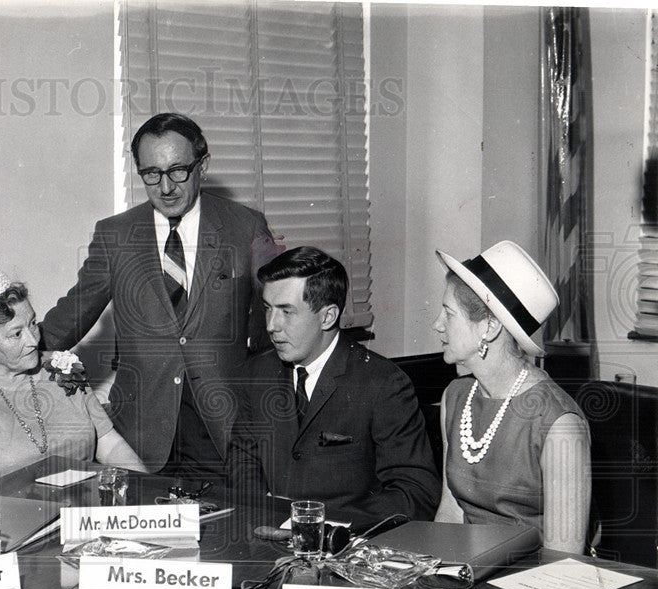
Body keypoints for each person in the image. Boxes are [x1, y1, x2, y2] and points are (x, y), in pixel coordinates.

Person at [38, 112, 280, 479]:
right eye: (151, 174)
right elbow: (72, 314)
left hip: (224, 430)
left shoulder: (245, 225)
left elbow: (270, 326)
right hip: (139, 433)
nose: (166, 187)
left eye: (178, 170)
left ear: (203, 165)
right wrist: (11, 351)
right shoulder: (115, 234)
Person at [227, 246, 440, 530]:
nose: (271, 326)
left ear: (327, 317)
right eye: (267, 309)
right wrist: (264, 511)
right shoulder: (256, 373)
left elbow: (415, 494)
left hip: (348, 546)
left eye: (286, 312)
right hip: (269, 536)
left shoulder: (383, 383)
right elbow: (243, 460)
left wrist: (320, 520)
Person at [432, 240, 590, 552]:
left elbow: (565, 560)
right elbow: (450, 513)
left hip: (534, 584)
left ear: (488, 327)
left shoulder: (559, 423)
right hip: (467, 575)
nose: (437, 325)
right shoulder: (455, 397)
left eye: (448, 314)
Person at [0, 267, 145, 490]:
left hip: (81, 513)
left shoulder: (63, 366)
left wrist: (147, 490)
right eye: (16, 334)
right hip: (5, 518)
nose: (32, 340)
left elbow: (109, 443)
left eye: (32, 323)